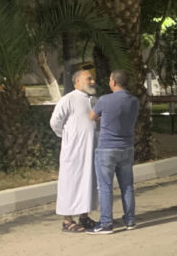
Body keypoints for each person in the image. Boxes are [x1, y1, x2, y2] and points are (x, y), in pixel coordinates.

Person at [88, 69, 140, 234]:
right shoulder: (134, 101)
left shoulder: (104, 100)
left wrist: (103, 118)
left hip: (107, 148)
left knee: (105, 187)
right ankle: (130, 220)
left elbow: (92, 116)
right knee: (127, 186)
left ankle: (106, 223)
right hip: (127, 147)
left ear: (114, 82)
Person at [49, 69, 98, 233]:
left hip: (90, 150)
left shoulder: (93, 100)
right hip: (73, 151)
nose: (92, 82)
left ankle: (84, 216)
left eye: (92, 79)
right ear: (77, 82)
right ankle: (67, 220)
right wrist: (67, 137)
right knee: (70, 183)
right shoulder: (68, 99)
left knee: (87, 183)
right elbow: (55, 122)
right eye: (88, 79)